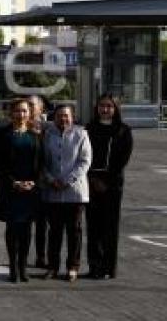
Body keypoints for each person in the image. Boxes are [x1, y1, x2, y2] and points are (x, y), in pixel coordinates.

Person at [0, 99, 42, 283]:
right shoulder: (3, 135)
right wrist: (14, 183)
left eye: (24, 111)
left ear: (30, 113)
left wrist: (33, 182)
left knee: (27, 229)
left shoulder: (35, 135)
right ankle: (13, 267)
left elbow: (41, 163)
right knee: (12, 228)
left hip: (30, 189)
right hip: (10, 188)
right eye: (17, 111)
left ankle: (23, 267)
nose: (20, 114)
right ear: (11, 113)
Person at [85, 94, 133, 279]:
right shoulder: (89, 129)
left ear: (116, 109)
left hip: (113, 185)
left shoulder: (123, 130)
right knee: (93, 226)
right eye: (101, 106)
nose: (105, 109)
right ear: (96, 108)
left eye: (109, 106)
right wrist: (93, 178)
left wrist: (107, 181)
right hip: (91, 183)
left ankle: (109, 267)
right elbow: (84, 156)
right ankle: (95, 266)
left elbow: (123, 159)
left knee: (110, 227)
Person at [42, 104, 92, 282]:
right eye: (59, 116)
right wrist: (50, 179)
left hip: (75, 192)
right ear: (54, 118)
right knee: (54, 232)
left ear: (72, 117)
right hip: (53, 191)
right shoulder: (48, 135)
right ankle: (52, 267)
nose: (63, 119)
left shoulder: (81, 134)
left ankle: (73, 266)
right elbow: (43, 162)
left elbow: (84, 162)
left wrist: (68, 180)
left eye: (66, 116)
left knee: (74, 231)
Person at [27, 94, 50, 269]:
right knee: (24, 222)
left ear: (41, 108)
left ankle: (42, 256)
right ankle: (21, 256)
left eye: (33, 105)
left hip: (45, 181)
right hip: (25, 180)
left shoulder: (50, 126)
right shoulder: (20, 123)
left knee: (43, 222)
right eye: (28, 104)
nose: (30, 107)